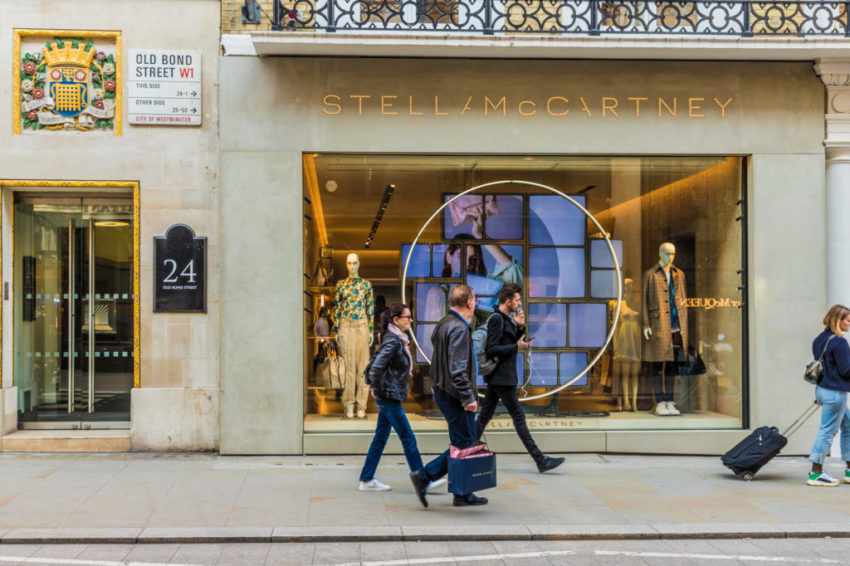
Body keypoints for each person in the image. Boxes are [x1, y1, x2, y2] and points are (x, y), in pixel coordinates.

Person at [409, 284, 488, 507]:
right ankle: (424, 476)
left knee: (461, 442)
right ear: (469, 303)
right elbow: (458, 369)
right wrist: (468, 398)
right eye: (475, 299)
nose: (476, 303)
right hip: (456, 397)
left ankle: (463, 494)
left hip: (444, 392)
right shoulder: (459, 328)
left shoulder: (443, 323)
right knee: (464, 444)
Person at [476, 284, 565, 473]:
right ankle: (540, 459)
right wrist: (517, 346)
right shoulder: (496, 319)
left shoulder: (506, 319)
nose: (519, 303)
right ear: (508, 301)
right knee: (518, 415)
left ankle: (463, 447)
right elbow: (492, 349)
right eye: (517, 300)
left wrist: (519, 326)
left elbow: (511, 342)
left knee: (485, 416)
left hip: (501, 377)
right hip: (501, 377)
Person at [358, 303, 447, 492]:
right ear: (396, 320)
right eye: (407, 317)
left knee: (380, 438)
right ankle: (422, 480)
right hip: (388, 396)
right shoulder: (393, 341)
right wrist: (378, 391)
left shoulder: (397, 339)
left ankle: (366, 479)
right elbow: (376, 369)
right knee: (408, 437)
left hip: (388, 395)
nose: (411, 320)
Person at [807, 304, 850, 487]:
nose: (849, 324)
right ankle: (815, 473)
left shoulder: (819, 339)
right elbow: (846, 370)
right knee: (827, 432)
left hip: (823, 389)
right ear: (838, 320)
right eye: (848, 320)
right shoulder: (840, 342)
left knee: (848, 425)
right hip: (834, 393)